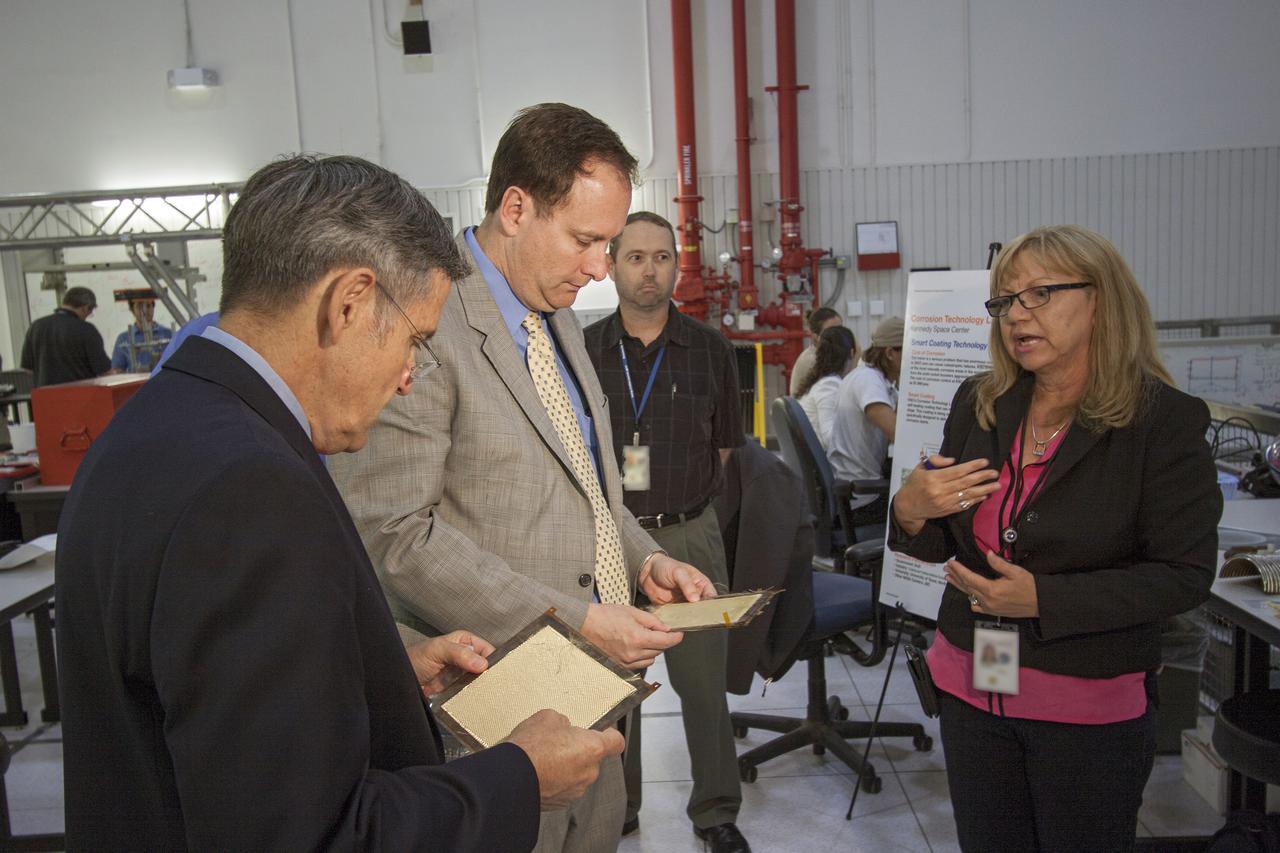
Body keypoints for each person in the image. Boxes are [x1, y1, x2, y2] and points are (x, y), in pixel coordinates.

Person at [56, 154, 625, 851]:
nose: (410, 378)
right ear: (348, 303)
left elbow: (202, 709)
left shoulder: (158, 426)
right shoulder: (252, 492)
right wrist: (518, 776)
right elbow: (312, 835)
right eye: (415, 339)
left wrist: (367, 675)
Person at [330, 104, 715, 853]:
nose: (602, 267)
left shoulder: (555, 311)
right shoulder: (429, 321)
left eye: (608, 242)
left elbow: (589, 490)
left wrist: (646, 559)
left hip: (592, 698)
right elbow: (394, 533)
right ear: (515, 207)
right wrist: (577, 617)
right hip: (494, 720)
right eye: (586, 240)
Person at [888, 225, 1219, 852]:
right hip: (971, 690)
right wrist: (907, 511)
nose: (1018, 315)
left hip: (1086, 712)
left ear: (1102, 300)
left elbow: (1183, 575)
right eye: (1006, 301)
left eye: (1040, 294)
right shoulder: (981, 402)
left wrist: (1043, 599)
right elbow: (946, 545)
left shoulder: (1162, 423)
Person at [582, 212, 750, 853]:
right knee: (614, 683)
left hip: (689, 537)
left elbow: (727, 448)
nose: (649, 270)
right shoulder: (586, 347)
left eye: (661, 257)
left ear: (676, 265)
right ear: (613, 263)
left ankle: (715, 812)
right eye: (635, 257)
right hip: (606, 541)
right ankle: (618, 805)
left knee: (703, 685)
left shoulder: (711, 349)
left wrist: (686, 514)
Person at [829, 315, 903, 484]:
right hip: (862, 492)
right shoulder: (868, 381)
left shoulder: (870, 377)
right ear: (891, 353)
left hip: (856, 480)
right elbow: (897, 433)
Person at [19, 285, 111, 386]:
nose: (87, 317)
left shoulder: (36, 326)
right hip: (81, 395)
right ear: (85, 308)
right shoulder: (86, 329)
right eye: (90, 312)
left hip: (44, 396)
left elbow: (28, 369)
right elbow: (103, 369)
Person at [795, 324, 857, 451]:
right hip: (826, 466)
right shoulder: (829, 385)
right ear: (851, 353)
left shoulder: (819, 381)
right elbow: (830, 439)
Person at [109, 289, 174, 372]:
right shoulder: (123, 338)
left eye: (148, 305)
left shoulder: (168, 334)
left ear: (153, 307)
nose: (144, 310)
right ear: (132, 309)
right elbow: (117, 369)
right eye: (139, 306)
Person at [788, 306, 842, 396]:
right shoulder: (812, 359)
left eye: (841, 329)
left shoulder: (830, 354)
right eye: (831, 332)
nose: (839, 335)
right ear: (815, 336)